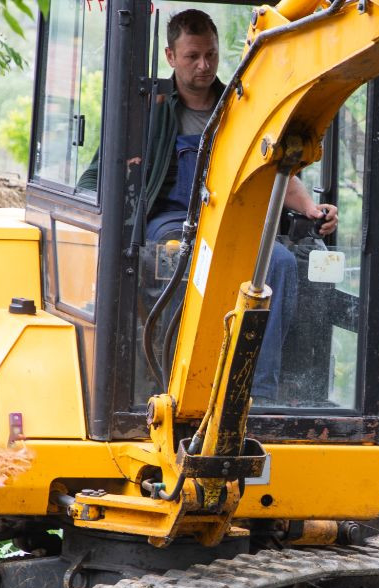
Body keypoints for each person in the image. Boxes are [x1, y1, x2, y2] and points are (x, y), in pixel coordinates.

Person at [81, 9, 337, 402]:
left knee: (282, 264)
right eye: (192, 56)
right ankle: (180, 384)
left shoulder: (239, 108)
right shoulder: (150, 108)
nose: (204, 65)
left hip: (230, 219)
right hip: (170, 219)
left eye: (211, 56)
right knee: (186, 258)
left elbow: (276, 169)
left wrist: (311, 210)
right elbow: (102, 173)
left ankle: (257, 390)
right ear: (170, 56)